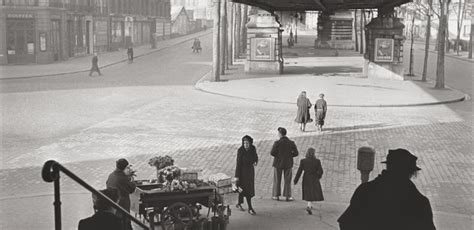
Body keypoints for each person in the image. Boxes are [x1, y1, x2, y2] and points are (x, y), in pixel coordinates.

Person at [338, 149, 436, 230]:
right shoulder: (419, 202)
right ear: (411, 173)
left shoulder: (364, 191)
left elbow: (346, 223)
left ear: (388, 167)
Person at [106, 158, 136, 230]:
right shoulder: (123, 177)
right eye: (127, 167)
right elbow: (131, 189)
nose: (129, 169)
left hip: (113, 205)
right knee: (126, 225)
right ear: (124, 168)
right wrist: (131, 179)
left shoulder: (111, 175)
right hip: (122, 205)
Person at [271, 127, 299, 201]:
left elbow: (272, 152)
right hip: (288, 163)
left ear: (280, 134)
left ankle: (276, 195)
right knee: (287, 180)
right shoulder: (291, 143)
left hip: (278, 163)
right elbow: (296, 153)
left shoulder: (277, 143)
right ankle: (288, 196)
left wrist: (278, 156)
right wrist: (290, 156)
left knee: (277, 179)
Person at [294, 147, 324, 215]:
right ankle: (309, 205)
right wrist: (318, 177)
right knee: (312, 191)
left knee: (308, 192)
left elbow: (299, 171)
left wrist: (296, 180)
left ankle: (309, 205)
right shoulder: (317, 161)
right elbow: (321, 171)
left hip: (306, 177)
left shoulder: (303, 161)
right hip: (314, 178)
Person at [235, 135, 259, 215]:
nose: (245, 145)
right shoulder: (240, 151)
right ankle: (250, 207)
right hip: (242, 174)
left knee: (246, 190)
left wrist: (255, 161)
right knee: (242, 190)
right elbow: (238, 164)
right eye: (244, 143)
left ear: (250, 143)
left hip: (250, 173)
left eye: (247, 143)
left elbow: (255, 156)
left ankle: (240, 204)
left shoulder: (253, 148)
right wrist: (237, 177)